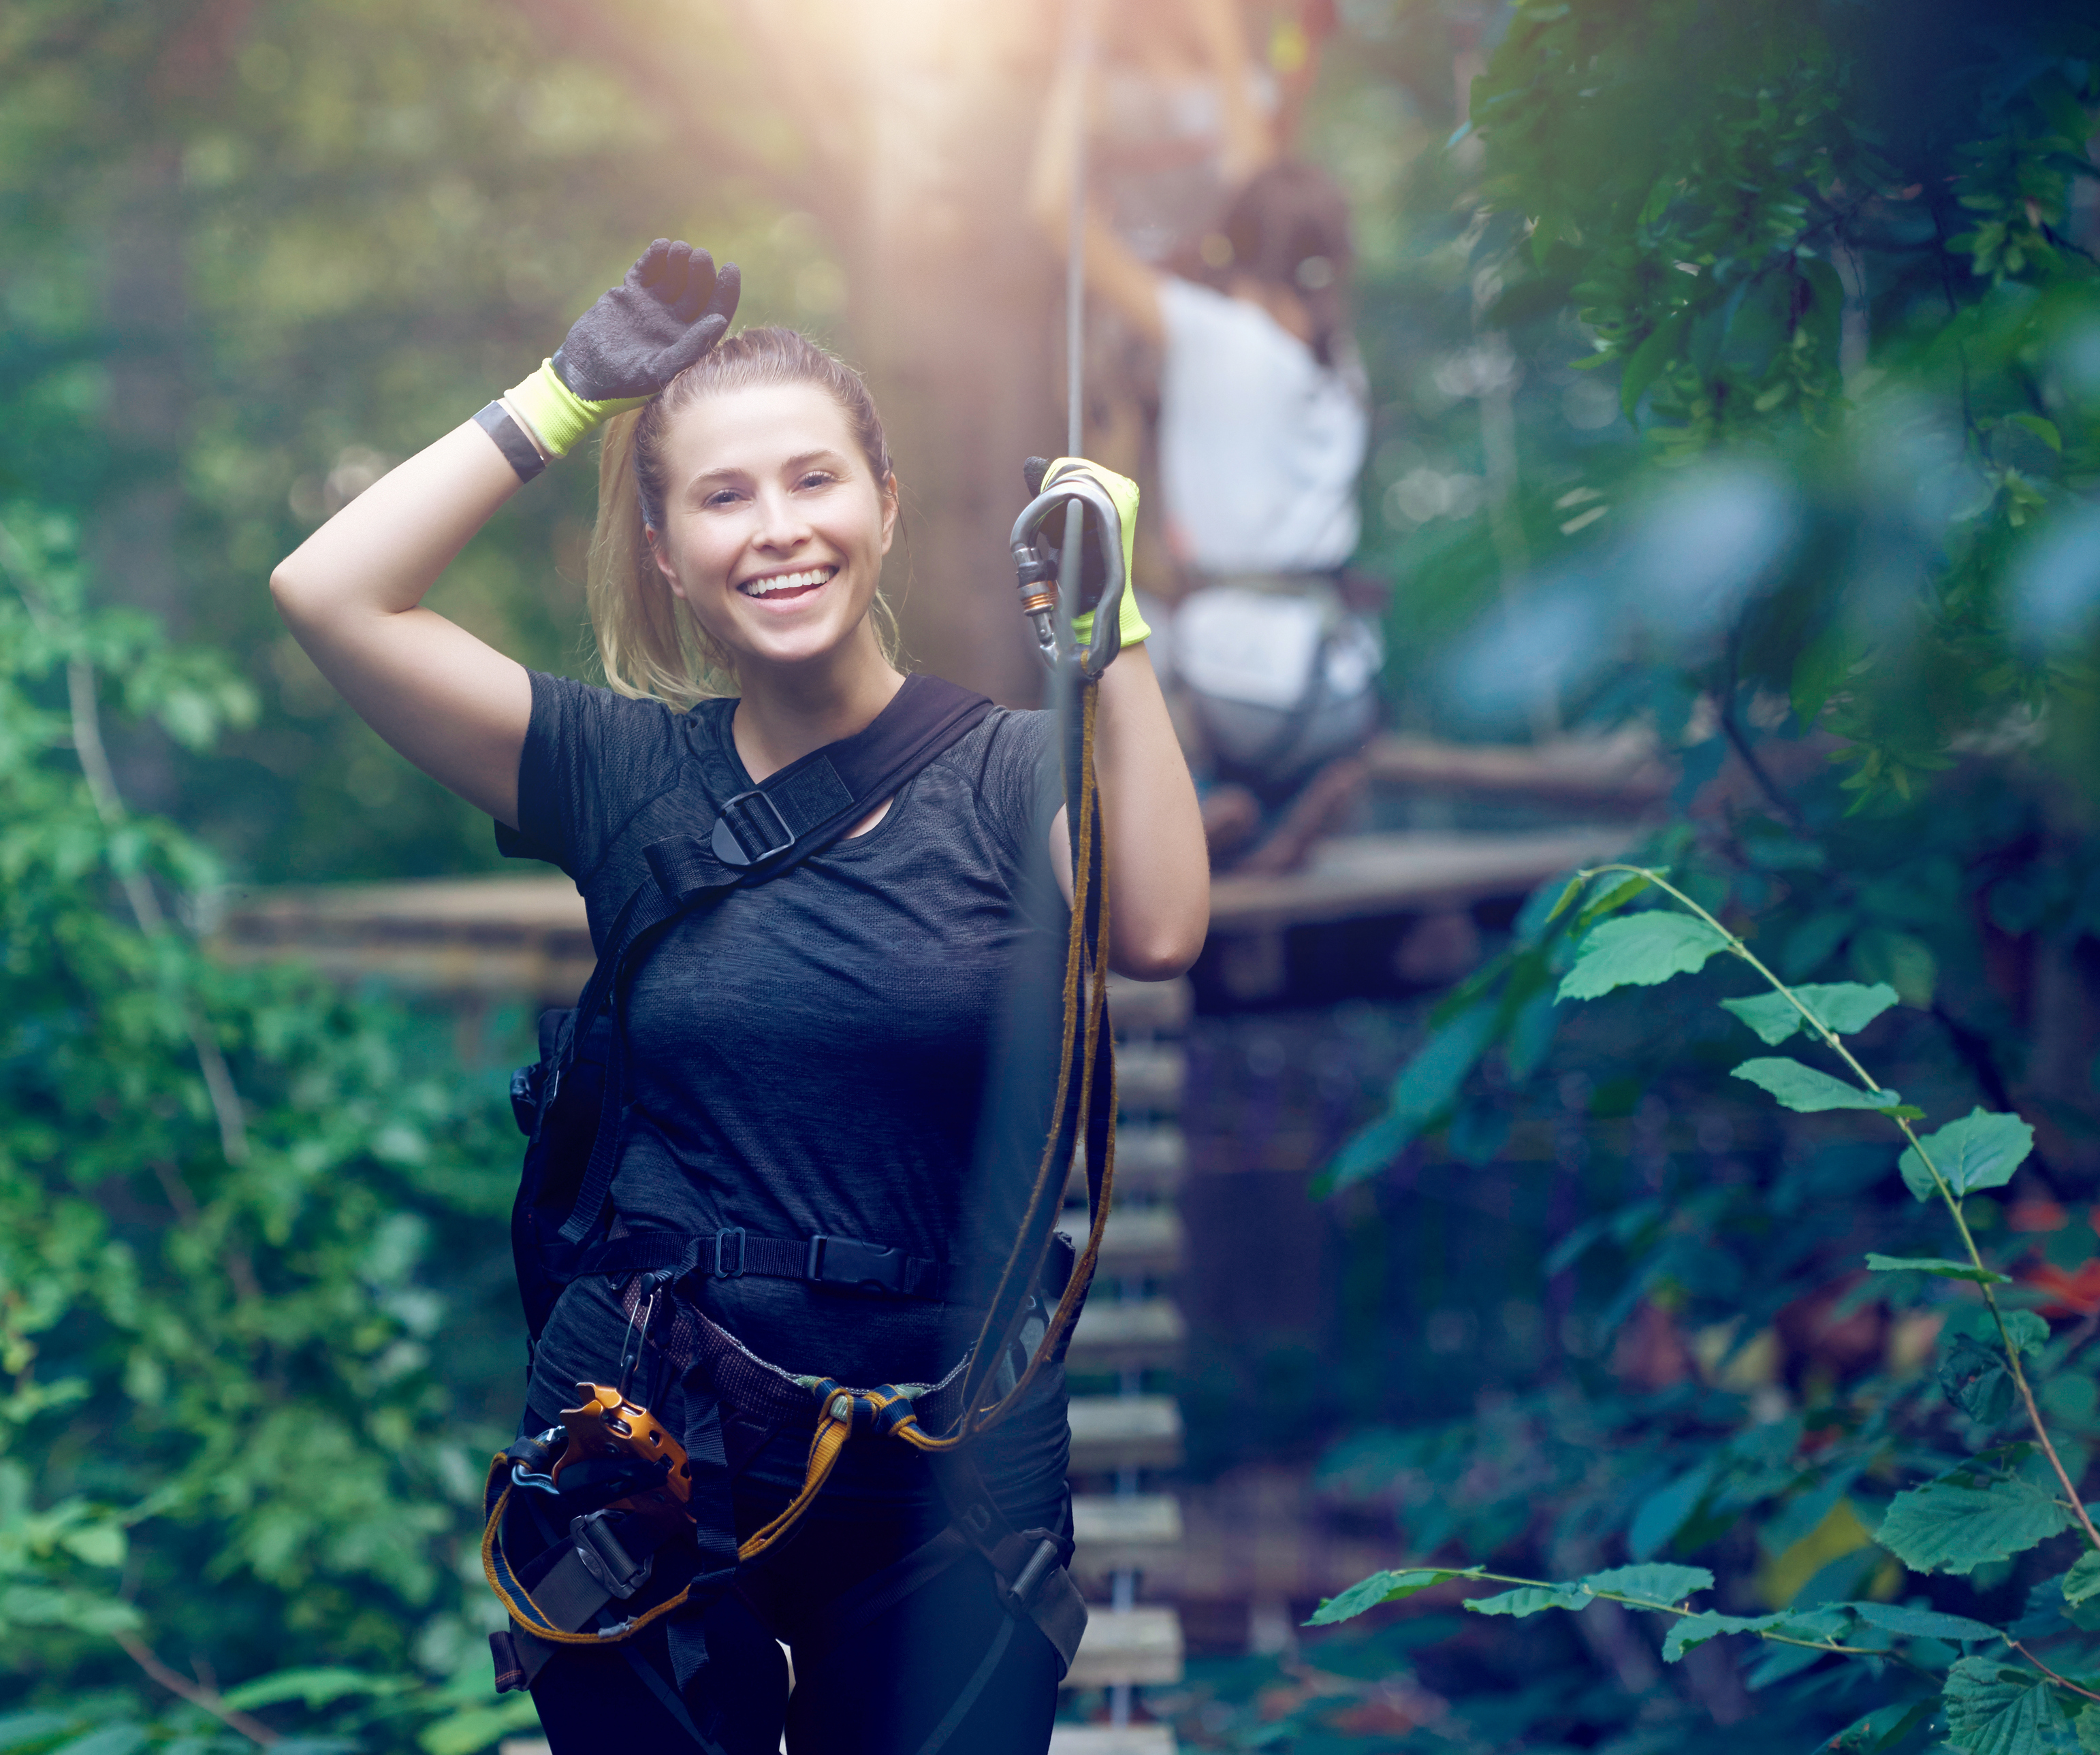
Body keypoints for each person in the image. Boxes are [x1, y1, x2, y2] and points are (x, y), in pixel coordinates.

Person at [269, 242, 1206, 1754]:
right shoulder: (618, 772)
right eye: (721, 495)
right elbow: (329, 592)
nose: (777, 530)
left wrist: (1109, 636)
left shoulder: (1005, 771)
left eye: (812, 481)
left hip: (944, 1449)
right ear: (661, 547)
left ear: (883, 504)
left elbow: (1157, 921)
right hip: (645, 1431)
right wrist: (569, 394)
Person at [1032, 14, 1382, 875]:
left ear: (1236, 243)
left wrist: (1079, 51)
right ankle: (1278, 804)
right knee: (1214, 640)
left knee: (1116, 644)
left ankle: (1205, 800)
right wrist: (1227, 47)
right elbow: (1263, 193)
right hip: (1343, 683)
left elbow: (1052, 215)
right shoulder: (1340, 364)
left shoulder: (1209, 335)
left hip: (1239, 689)